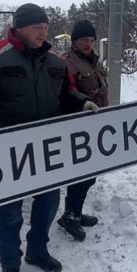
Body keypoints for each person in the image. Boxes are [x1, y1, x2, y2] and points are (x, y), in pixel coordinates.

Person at [0, 4, 97, 272]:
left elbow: (66, 93)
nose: (43, 31)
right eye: (37, 27)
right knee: (10, 213)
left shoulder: (55, 63)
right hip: (7, 152)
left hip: (47, 151)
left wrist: (82, 102)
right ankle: (10, 265)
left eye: (46, 26)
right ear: (20, 27)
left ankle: (38, 250)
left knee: (48, 204)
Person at [56, 19, 108, 241]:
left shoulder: (95, 62)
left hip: (97, 125)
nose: (88, 43)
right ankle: (70, 215)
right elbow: (64, 96)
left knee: (90, 174)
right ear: (74, 41)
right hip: (78, 127)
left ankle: (74, 212)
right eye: (83, 40)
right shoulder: (66, 64)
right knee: (81, 173)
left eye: (91, 39)